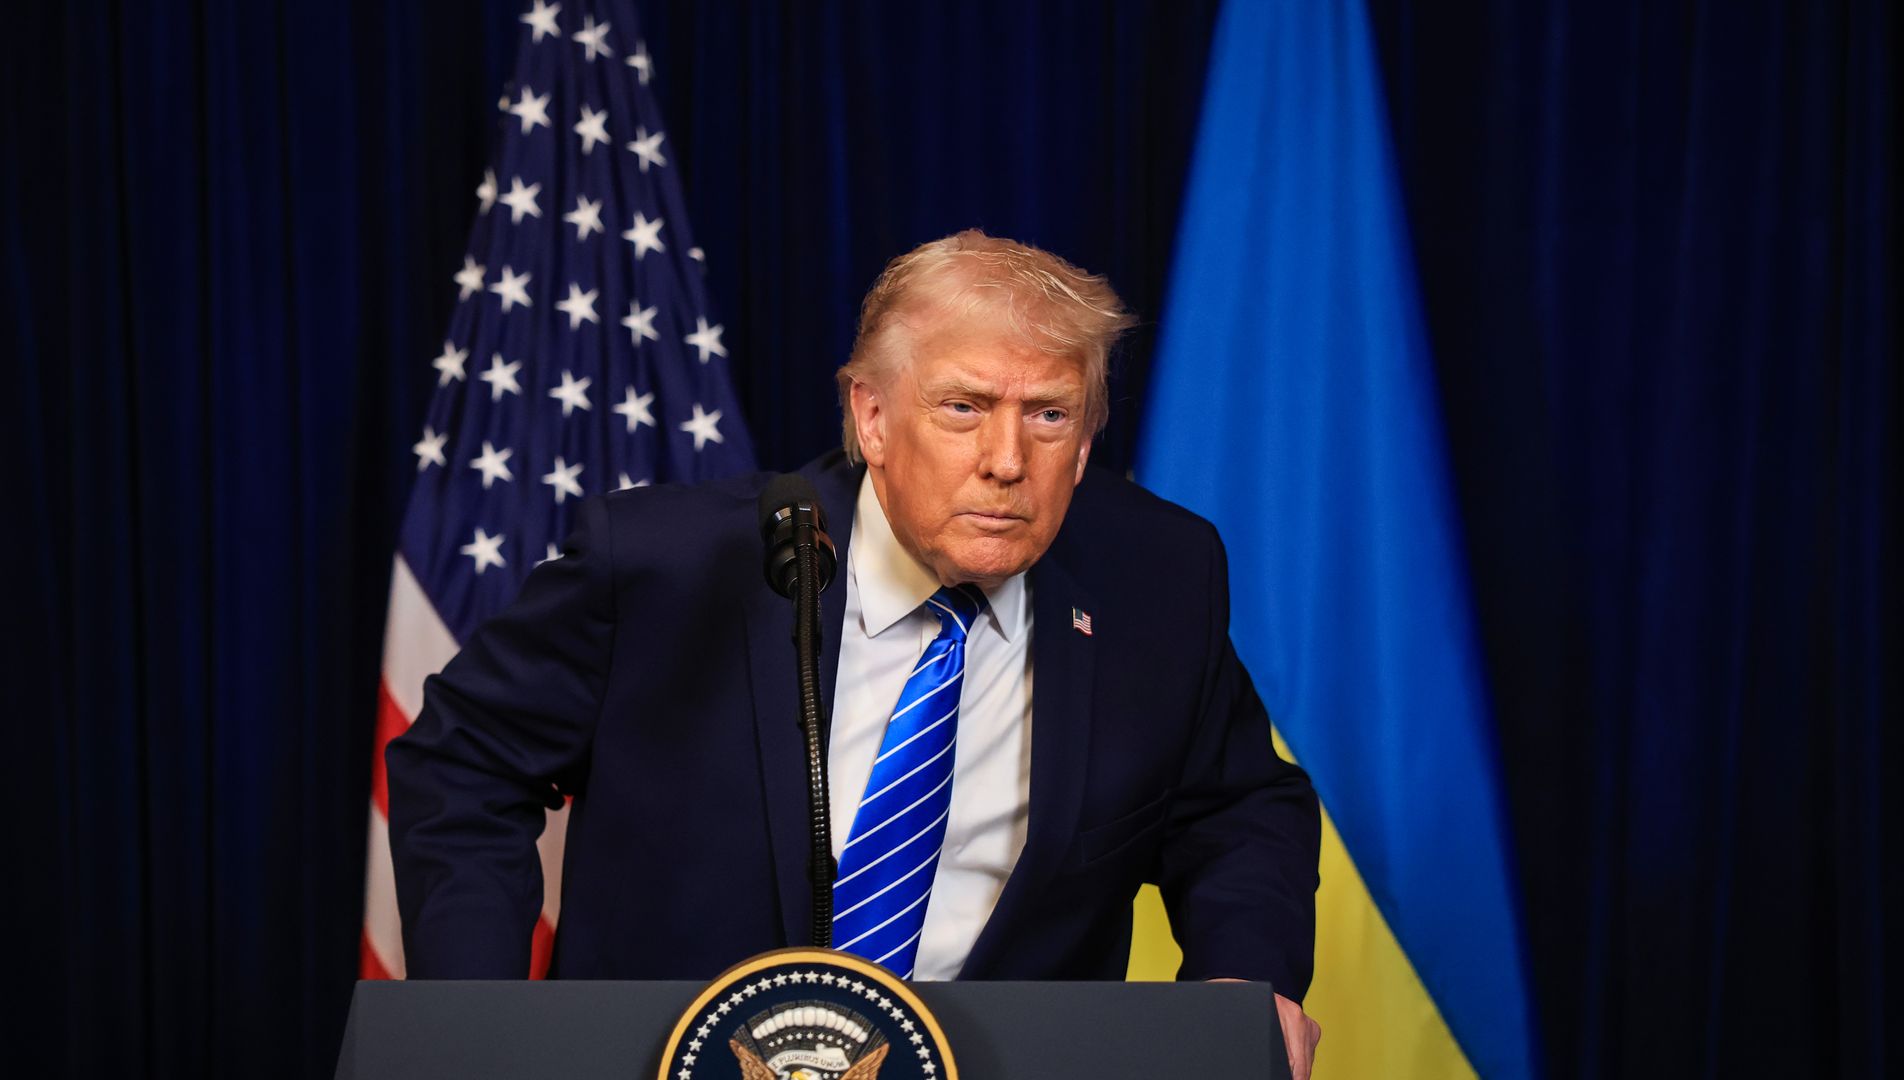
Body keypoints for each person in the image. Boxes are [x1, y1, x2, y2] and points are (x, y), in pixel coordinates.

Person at [387, 230, 1323, 1076]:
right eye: (964, 407)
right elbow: (464, 759)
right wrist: (481, 1023)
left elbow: (1236, 803)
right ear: (872, 418)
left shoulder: (1156, 578)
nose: (1007, 460)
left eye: (1048, 415)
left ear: (1085, 444)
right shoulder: (669, 568)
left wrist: (1248, 979)